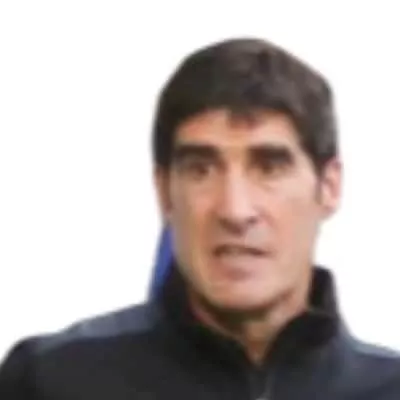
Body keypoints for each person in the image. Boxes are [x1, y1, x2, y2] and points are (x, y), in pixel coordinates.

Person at [1, 37, 400, 399]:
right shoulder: (52, 381)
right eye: (200, 170)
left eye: (269, 167)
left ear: (329, 186)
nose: (235, 210)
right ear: (163, 192)